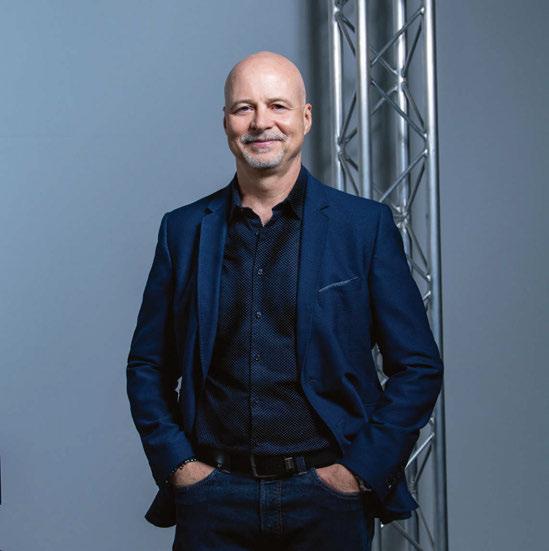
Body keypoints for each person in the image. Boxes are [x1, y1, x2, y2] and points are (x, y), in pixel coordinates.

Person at [126, 51, 443, 551]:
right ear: (226, 122)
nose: (261, 122)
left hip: (328, 499)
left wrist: (360, 471)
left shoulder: (364, 228)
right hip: (212, 499)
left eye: (278, 106)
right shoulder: (182, 231)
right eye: (244, 108)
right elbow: (147, 365)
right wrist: (179, 466)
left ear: (306, 118)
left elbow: (419, 366)